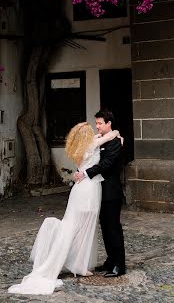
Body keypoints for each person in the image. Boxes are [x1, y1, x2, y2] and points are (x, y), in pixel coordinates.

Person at [7, 121, 121, 295]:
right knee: (85, 227)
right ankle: (79, 265)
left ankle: (77, 263)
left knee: (75, 225)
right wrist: (117, 133)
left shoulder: (80, 148)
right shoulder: (92, 144)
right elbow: (110, 135)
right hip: (89, 190)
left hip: (79, 189)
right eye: (91, 130)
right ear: (86, 136)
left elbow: (100, 138)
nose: (95, 131)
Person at [74, 109, 126, 277]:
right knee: (105, 227)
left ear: (109, 124)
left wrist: (86, 173)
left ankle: (119, 265)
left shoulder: (115, 142)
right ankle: (110, 261)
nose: (97, 127)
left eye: (100, 123)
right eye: (96, 123)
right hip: (97, 191)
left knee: (113, 228)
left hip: (111, 191)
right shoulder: (100, 140)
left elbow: (107, 164)